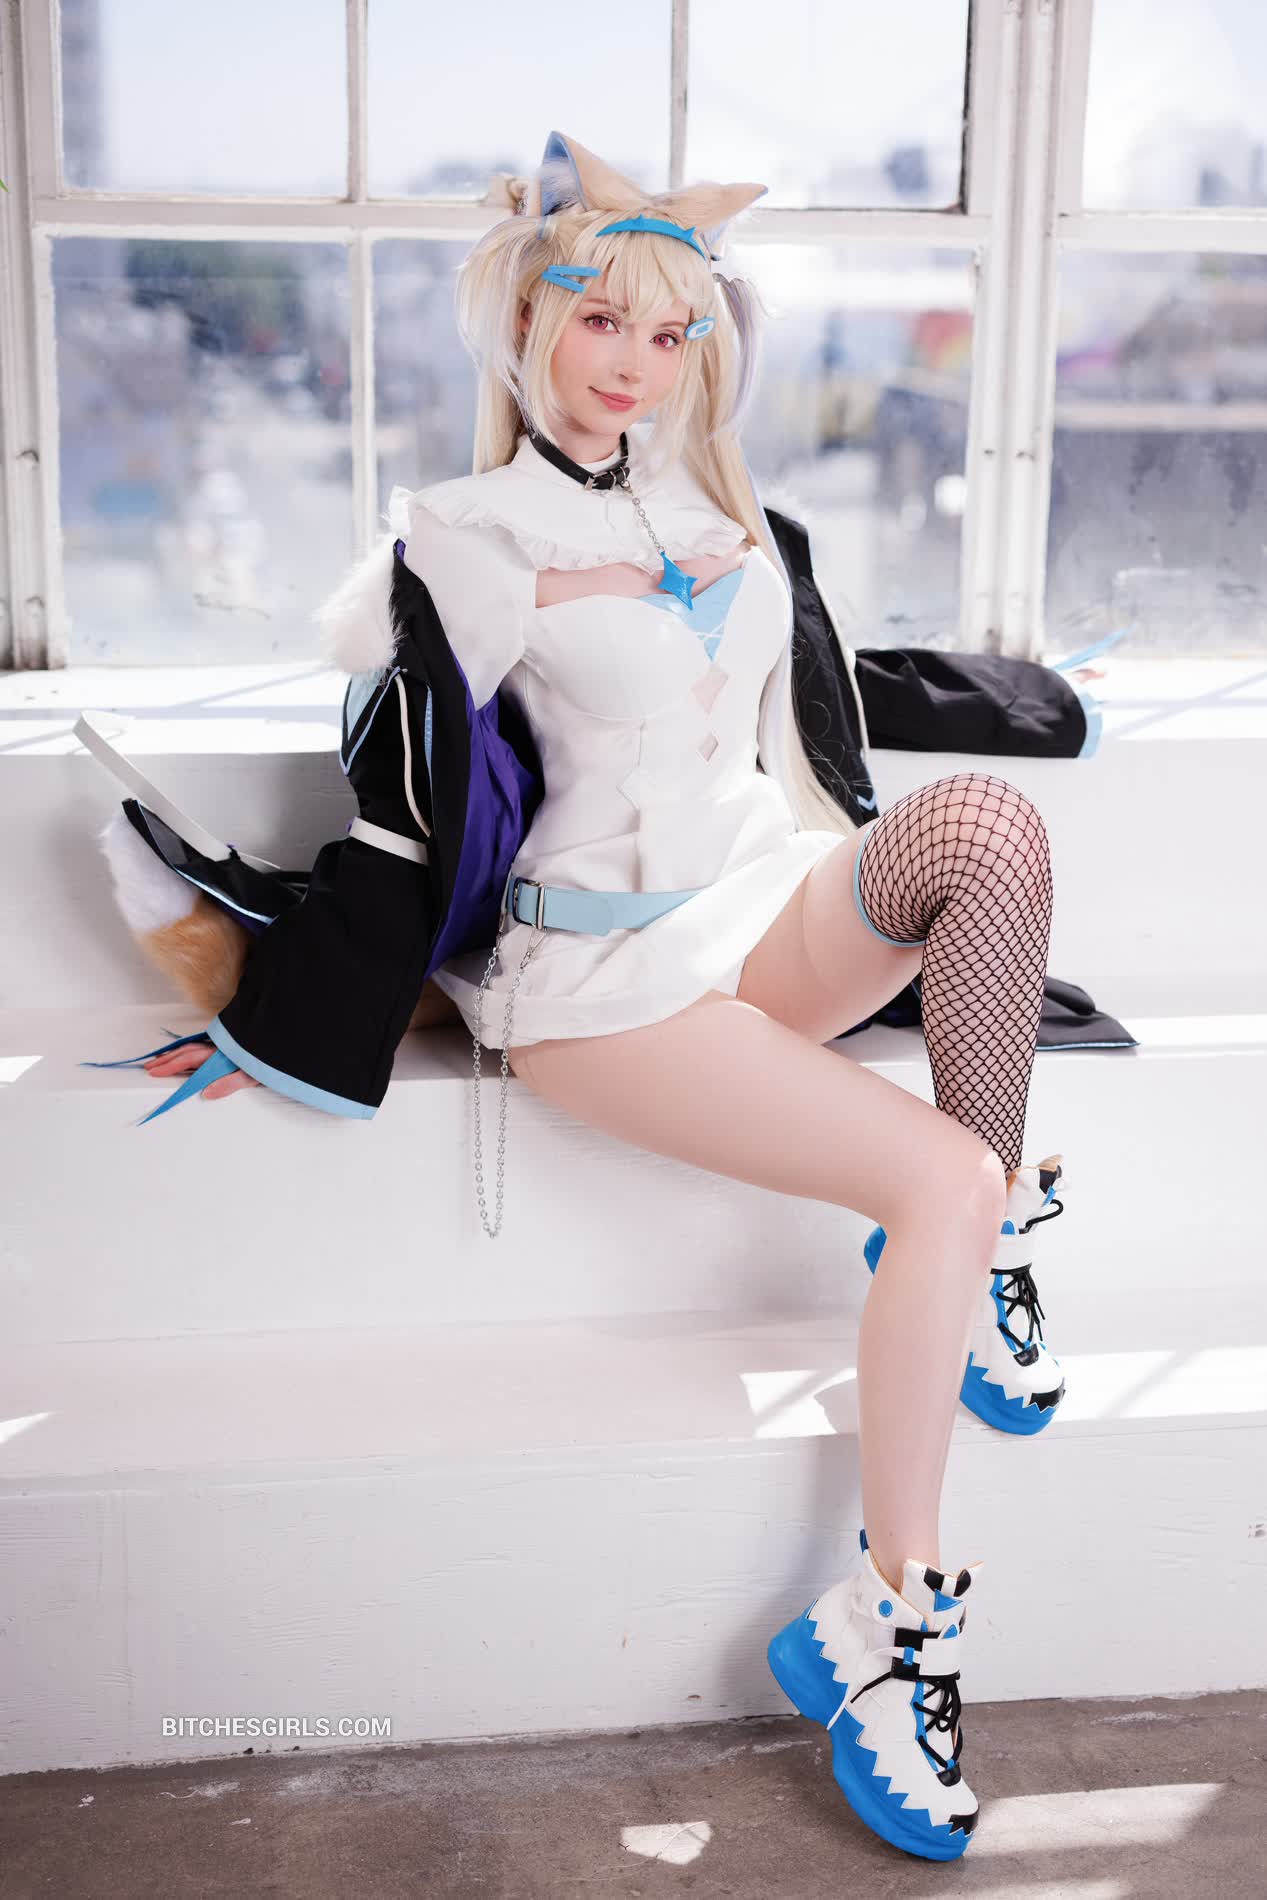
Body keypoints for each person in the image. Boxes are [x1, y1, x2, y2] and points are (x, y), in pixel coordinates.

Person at [104, 131, 1067, 1864]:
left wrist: (987, 720)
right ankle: (883, 1628)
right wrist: (286, 1013)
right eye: (601, 321)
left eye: (671, 331)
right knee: (934, 1176)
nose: (635, 361)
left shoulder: (732, 519)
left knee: (988, 828)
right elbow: (414, 791)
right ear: (531, 326)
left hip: (755, 915)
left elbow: (803, 742)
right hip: (606, 983)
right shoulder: (467, 533)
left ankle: (983, 1236)